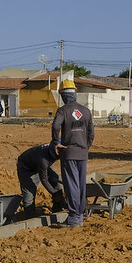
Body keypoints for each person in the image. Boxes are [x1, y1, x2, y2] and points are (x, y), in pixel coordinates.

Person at [49, 80, 94, 228]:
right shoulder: (86, 111)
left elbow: (55, 126)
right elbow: (91, 134)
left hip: (68, 153)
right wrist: (84, 147)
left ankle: (74, 217)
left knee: (71, 185)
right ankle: (80, 214)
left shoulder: (62, 111)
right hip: (82, 152)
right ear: (75, 94)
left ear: (63, 95)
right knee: (81, 184)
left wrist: (56, 142)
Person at [16, 143, 65, 218]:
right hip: (27, 169)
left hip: (40, 165)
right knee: (29, 197)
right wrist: (55, 194)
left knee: (57, 182)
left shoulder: (57, 145)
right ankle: (30, 218)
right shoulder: (43, 160)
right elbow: (44, 180)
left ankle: (57, 208)